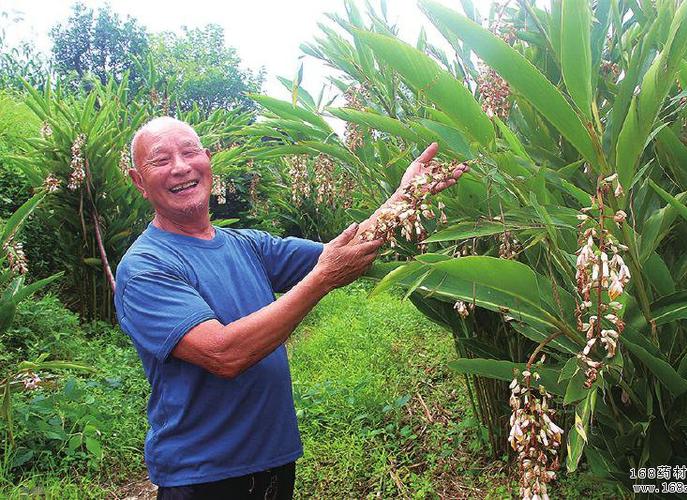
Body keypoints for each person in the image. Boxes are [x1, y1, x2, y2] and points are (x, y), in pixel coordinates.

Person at [115, 116, 468, 499]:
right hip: (203, 477)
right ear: (139, 181)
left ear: (208, 159)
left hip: (274, 464)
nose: (181, 167)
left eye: (189, 152)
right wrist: (322, 280)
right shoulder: (145, 267)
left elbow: (345, 251)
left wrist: (405, 195)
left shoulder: (246, 244)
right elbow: (224, 354)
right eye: (161, 160)